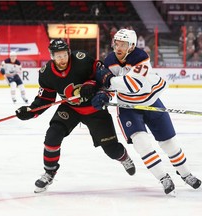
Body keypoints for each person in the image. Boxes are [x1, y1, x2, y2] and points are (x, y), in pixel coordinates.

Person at [15, 38, 136, 193]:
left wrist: (92, 85)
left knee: (112, 149)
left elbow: (102, 76)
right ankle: (49, 172)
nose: (62, 59)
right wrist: (30, 111)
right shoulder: (46, 73)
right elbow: (45, 99)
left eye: (64, 55)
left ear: (69, 53)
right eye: (58, 56)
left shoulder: (82, 60)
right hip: (70, 108)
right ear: (52, 56)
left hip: (94, 108)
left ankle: (123, 157)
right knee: (53, 134)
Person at [93, 29, 202, 195]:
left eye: (123, 44)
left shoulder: (140, 57)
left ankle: (186, 174)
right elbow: (105, 85)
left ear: (132, 46)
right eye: (117, 43)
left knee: (169, 143)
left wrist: (108, 80)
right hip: (128, 108)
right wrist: (102, 93)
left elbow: (132, 85)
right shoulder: (110, 60)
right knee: (142, 144)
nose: (118, 47)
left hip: (151, 102)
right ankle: (163, 177)